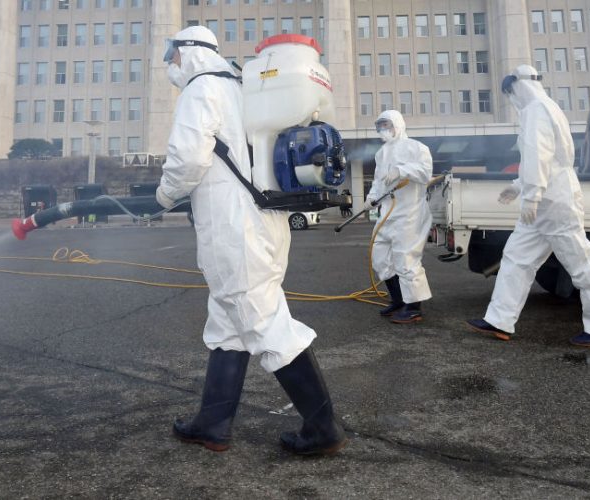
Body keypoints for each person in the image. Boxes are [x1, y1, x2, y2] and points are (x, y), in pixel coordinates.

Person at [155, 26, 347, 455]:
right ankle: (212, 423)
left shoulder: (201, 89)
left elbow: (187, 159)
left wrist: (164, 195)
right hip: (266, 219)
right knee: (229, 322)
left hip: (233, 227)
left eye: (172, 54)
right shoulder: (244, 86)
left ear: (190, 51)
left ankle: (323, 428)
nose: (170, 63)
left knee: (263, 321)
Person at [467, 65, 590, 347]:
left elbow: (540, 156)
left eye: (511, 92)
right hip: (545, 202)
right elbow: (541, 160)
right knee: (516, 259)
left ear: (520, 85)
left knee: (579, 262)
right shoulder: (546, 108)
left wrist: (532, 195)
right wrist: (518, 186)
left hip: (554, 202)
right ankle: (499, 320)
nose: (511, 98)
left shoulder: (536, 110)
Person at [364, 109, 433, 324]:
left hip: (409, 213)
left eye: (386, 125)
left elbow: (425, 173)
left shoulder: (417, 148)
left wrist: (402, 170)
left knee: (406, 259)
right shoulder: (381, 153)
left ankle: (413, 307)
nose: (383, 130)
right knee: (380, 257)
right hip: (387, 213)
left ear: (398, 125)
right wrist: (371, 197)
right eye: (380, 126)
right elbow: (378, 181)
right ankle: (398, 300)